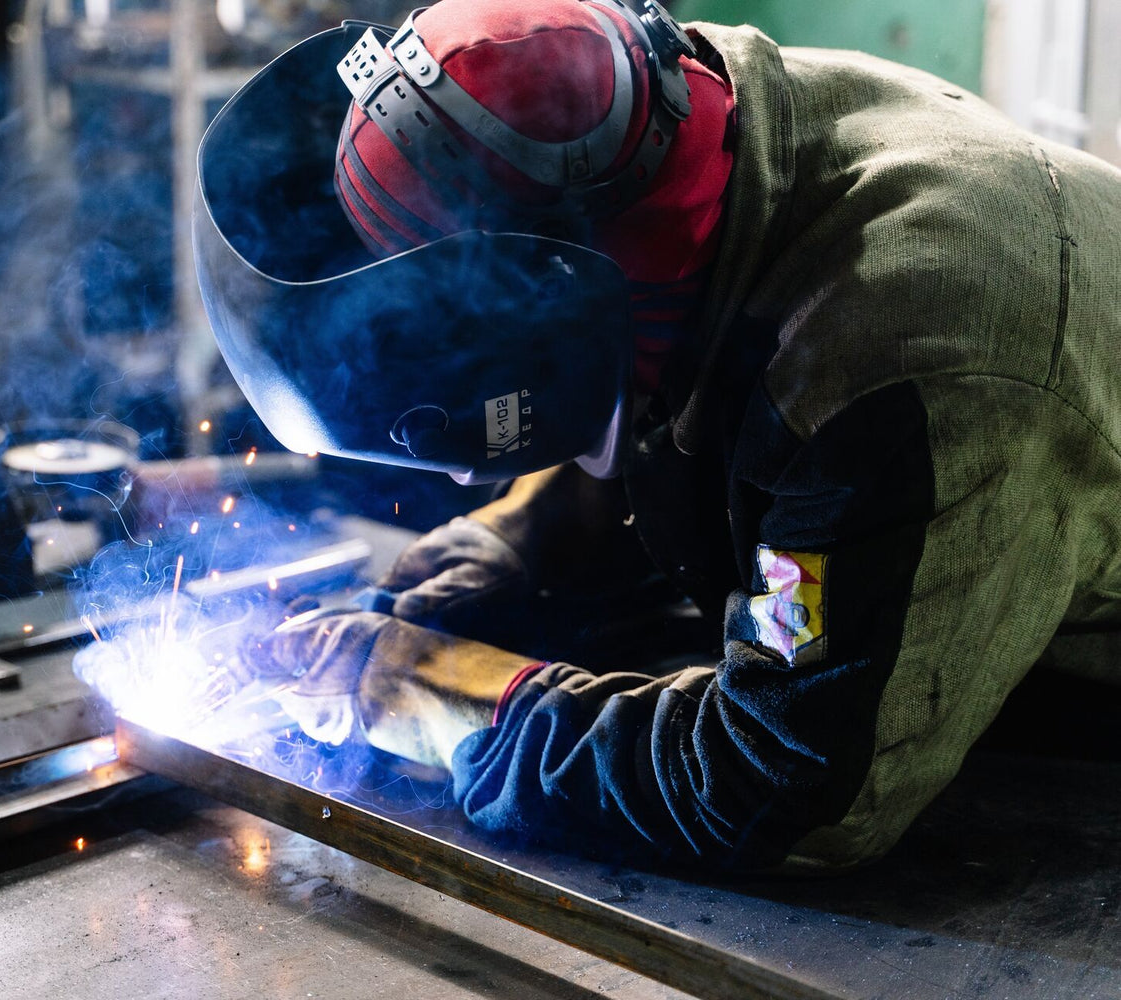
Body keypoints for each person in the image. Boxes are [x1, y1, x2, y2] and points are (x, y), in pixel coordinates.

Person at [193, 0, 1121, 871]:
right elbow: (684, 371)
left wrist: (427, 687)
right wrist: (522, 544)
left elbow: (778, 788)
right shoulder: (653, 127)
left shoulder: (907, 369)